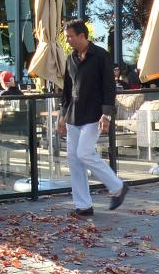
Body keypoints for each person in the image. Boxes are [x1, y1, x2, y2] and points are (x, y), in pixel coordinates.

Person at [57, 19, 127, 217]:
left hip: (94, 115)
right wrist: (62, 116)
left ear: (82, 35)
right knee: (74, 160)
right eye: (66, 36)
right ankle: (83, 206)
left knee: (85, 153)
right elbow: (67, 91)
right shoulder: (70, 58)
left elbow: (109, 87)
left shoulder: (101, 56)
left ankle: (118, 187)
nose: (68, 39)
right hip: (73, 115)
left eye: (70, 36)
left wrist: (106, 114)